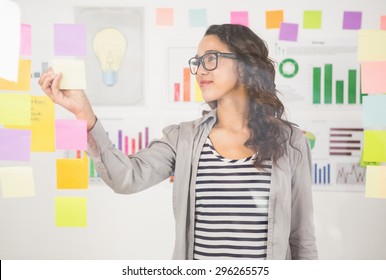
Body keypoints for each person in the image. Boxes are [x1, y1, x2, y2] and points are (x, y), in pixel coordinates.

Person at [39, 24, 318, 260]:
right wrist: (84, 115)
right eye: (196, 62)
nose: (199, 71)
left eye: (210, 59)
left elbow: (301, 237)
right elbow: (126, 178)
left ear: (245, 65)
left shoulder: (290, 142)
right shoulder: (182, 138)